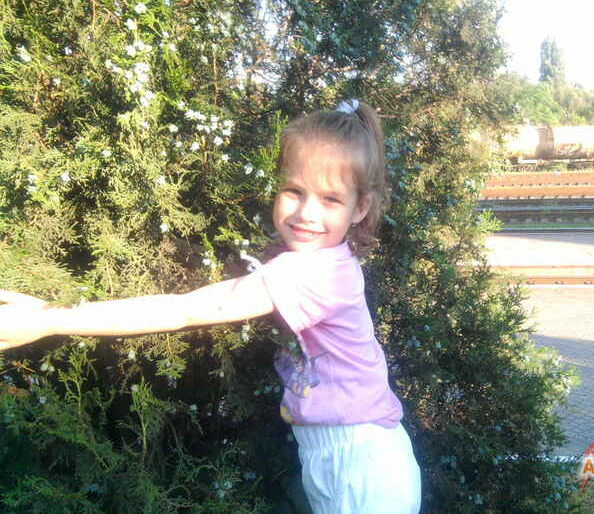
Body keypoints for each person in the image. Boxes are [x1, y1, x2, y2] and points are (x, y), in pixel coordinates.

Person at [0, 99, 422, 514]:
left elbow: (182, 310)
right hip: (342, 456)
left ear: (360, 208)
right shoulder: (321, 262)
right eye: (294, 191)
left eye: (330, 199)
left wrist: (49, 320)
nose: (306, 213)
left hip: (363, 467)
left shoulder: (315, 273)